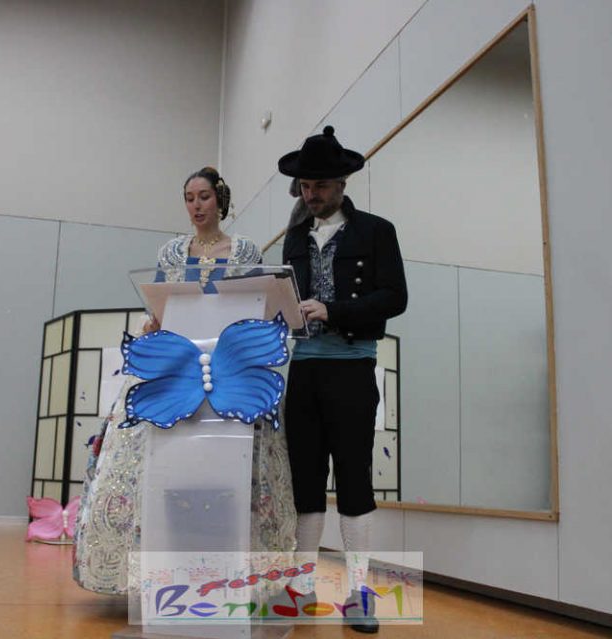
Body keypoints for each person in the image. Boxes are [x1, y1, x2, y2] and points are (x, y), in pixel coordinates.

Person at [72, 167, 297, 595]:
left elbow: (255, 306)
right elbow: (161, 308)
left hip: (230, 372)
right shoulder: (172, 252)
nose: (196, 206)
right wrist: (151, 325)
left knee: (234, 469)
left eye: (204, 197)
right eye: (189, 198)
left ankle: (234, 569)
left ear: (220, 200)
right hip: (176, 369)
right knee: (159, 461)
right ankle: (154, 567)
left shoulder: (245, 250)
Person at [278, 127, 408, 633]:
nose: (312, 194)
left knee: (354, 478)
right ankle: (302, 587)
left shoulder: (376, 231)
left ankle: (359, 594)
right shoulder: (294, 238)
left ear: (342, 183)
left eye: (321, 186)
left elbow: (394, 298)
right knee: (306, 480)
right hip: (304, 370)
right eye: (306, 186)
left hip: (352, 367)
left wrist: (333, 310)